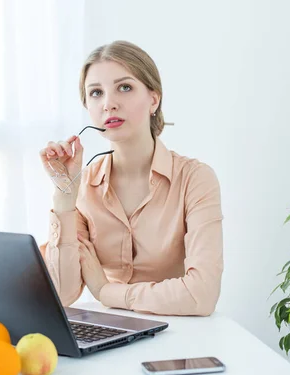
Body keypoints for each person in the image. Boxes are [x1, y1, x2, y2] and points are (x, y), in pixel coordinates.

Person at [39, 40, 224, 316]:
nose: (109, 104)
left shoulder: (195, 179)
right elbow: (63, 293)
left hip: (179, 333)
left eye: (124, 87)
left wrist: (105, 291)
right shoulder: (83, 185)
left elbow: (202, 295)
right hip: (110, 332)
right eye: (96, 93)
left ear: (154, 98)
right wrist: (65, 196)